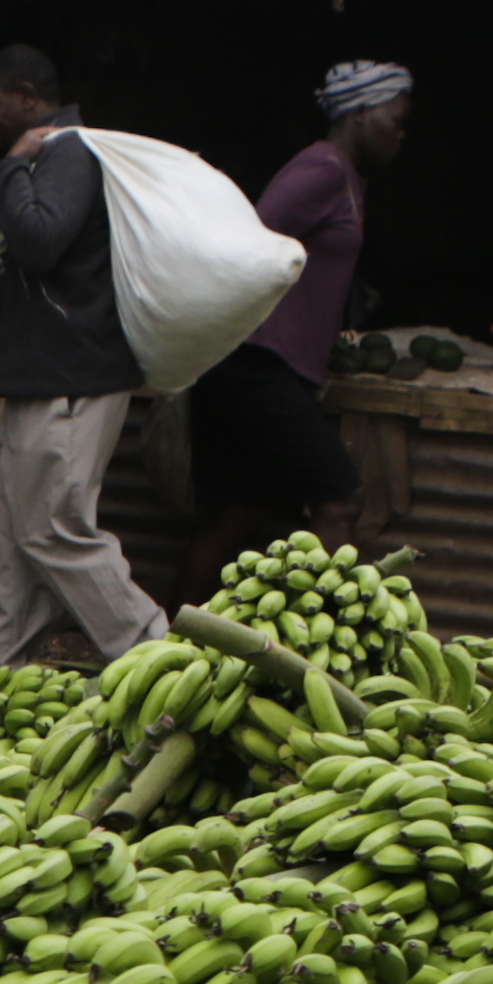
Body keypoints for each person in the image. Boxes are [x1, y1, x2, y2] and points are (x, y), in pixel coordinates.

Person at [184, 60, 412, 598]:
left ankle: (174, 643)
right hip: (255, 366)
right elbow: (253, 244)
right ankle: (322, 649)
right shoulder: (322, 169)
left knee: (237, 518)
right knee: (340, 502)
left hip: (260, 365)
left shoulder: (346, 175)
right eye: (395, 118)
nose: (402, 133)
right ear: (359, 113)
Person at [0, 45, 165, 669]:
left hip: (71, 378)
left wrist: (9, 173)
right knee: (11, 541)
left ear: (30, 98)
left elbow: (41, 243)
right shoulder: (41, 165)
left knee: (54, 531)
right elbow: (2, 283)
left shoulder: (71, 152)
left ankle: (157, 658)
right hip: (39, 376)